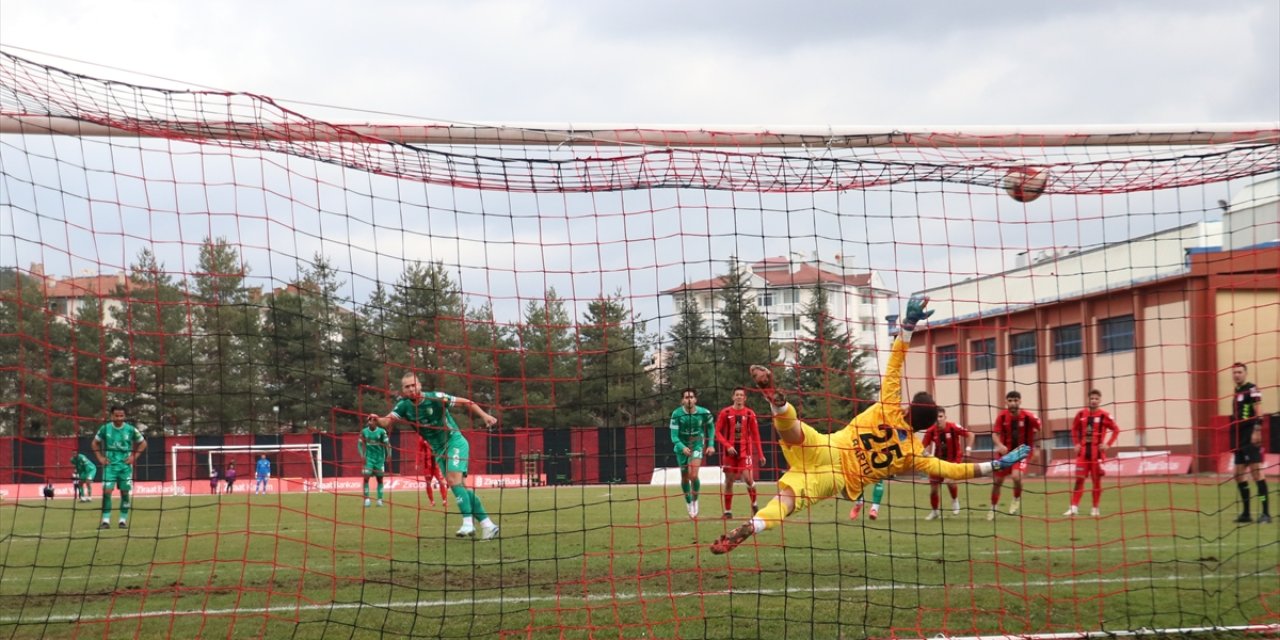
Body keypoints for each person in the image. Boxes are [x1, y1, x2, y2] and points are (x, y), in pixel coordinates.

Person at [711, 296, 1031, 554]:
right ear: (922, 426)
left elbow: (895, 362)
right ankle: (753, 526)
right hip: (838, 477)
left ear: (907, 407)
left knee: (793, 432)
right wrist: (996, 464)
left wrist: (907, 325)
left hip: (828, 445)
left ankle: (777, 403)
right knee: (788, 501)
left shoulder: (889, 405)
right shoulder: (913, 452)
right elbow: (953, 470)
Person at [367, 373, 500, 539]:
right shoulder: (403, 406)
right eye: (407, 387)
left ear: (420, 385)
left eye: (413, 385)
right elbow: (387, 421)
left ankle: (468, 523)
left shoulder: (436, 398)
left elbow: (466, 402)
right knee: (461, 488)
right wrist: (376, 421)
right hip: (438, 451)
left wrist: (485, 416)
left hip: (454, 441)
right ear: (403, 390)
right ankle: (488, 525)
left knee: (453, 480)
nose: (411, 389)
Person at [988, 390, 1042, 520]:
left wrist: (1037, 448)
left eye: (1015, 400)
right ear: (1006, 402)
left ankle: (1016, 499)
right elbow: (995, 434)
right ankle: (993, 508)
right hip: (1005, 454)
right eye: (1010, 401)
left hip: (1022, 452)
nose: (1013, 403)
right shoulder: (1002, 417)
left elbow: (1039, 430)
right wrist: (999, 445)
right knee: (997, 482)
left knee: (1016, 477)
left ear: (1020, 401)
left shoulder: (1029, 417)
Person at [1064, 389, 1120, 517]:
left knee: (1096, 481)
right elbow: (1074, 429)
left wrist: (1108, 444)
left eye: (1096, 399)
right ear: (1087, 399)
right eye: (1092, 398)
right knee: (1079, 479)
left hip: (1097, 454)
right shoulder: (1081, 414)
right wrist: (1076, 443)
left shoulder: (1104, 416)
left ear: (1100, 400)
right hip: (1083, 453)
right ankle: (1073, 507)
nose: (1094, 401)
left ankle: (1095, 508)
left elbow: (1116, 430)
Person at [91, 405, 147, 529]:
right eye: (116, 416)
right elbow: (94, 443)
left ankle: (123, 520)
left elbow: (143, 443)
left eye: (121, 416)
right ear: (112, 416)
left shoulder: (131, 429)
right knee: (107, 492)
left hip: (125, 467)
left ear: (125, 416)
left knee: (125, 492)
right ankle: (105, 521)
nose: (119, 418)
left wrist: (134, 457)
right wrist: (100, 458)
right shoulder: (105, 429)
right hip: (110, 466)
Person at [1229, 363, 1269, 524]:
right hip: (1239, 437)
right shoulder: (1236, 391)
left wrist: (1257, 430)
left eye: (1239, 372)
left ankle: (1266, 513)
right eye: (1234, 373)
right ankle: (1246, 513)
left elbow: (1259, 410)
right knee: (1238, 475)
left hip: (1251, 436)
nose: (1236, 375)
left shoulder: (1252, 389)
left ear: (1245, 373)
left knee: (1256, 473)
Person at [715, 387, 764, 518]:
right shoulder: (725, 412)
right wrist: (727, 445)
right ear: (733, 397)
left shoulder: (749, 413)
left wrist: (760, 454)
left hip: (744, 452)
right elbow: (717, 432)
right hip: (729, 453)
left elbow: (756, 434)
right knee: (729, 481)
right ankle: (728, 511)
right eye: (737, 395)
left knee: (748, 479)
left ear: (745, 398)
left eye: (741, 395)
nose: (739, 397)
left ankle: (754, 503)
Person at [670, 387, 715, 519]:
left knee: (693, 475)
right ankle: (688, 501)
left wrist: (711, 444)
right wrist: (681, 447)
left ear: (695, 399)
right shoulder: (676, 414)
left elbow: (711, 427)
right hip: (681, 447)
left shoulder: (704, 412)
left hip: (697, 445)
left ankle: (695, 500)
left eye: (691, 397)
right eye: (686, 397)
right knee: (684, 477)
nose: (689, 400)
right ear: (682, 400)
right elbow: (674, 436)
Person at [922, 407, 975, 520]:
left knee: (949, 480)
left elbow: (970, 434)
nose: (938, 419)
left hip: (954, 459)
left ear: (945, 417)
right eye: (936, 417)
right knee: (934, 490)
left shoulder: (953, 427)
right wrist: (926, 454)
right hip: (937, 461)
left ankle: (955, 500)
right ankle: (935, 512)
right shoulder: (931, 430)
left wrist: (968, 449)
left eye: (940, 417)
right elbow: (922, 447)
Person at [359, 416, 391, 507]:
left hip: (379, 459)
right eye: (369, 420)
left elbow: (387, 444)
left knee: (380, 479)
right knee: (366, 478)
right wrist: (362, 455)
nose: (370, 422)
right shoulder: (364, 432)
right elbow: (359, 444)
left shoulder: (382, 432)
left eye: (372, 420)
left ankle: (379, 500)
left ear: (376, 422)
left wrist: (388, 455)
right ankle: (367, 499)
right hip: (368, 459)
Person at [419, 438, 447, 507]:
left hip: (436, 465)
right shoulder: (422, 438)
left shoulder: (435, 437)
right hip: (427, 466)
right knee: (428, 484)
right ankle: (432, 502)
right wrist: (417, 462)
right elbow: (419, 451)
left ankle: (444, 500)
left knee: (441, 482)